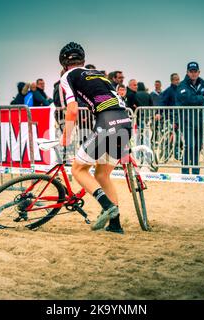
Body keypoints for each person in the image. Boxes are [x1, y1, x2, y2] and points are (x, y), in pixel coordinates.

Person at [59, 42, 131, 234]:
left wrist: (65, 136)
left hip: (107, 124)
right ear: (83, 60)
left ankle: (107, 206)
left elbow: (72, 110)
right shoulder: (100, 74)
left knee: (78, 169)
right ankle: (115, 225)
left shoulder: (67, 75)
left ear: (64, 63)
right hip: (125, 123)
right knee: (101, 174)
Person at [176, 62, 204, 175]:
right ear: (187, 72)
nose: (193, 73)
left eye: (195, 71)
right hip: (187, 121)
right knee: (190, 145)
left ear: (198, 72)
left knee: (198, 146)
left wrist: (200, 100)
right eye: (191, 71)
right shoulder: (182, 85)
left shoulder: (202, 84)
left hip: (200, 120)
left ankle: (196, 171)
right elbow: (187, 99)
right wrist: (201, 99)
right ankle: (186, 172)